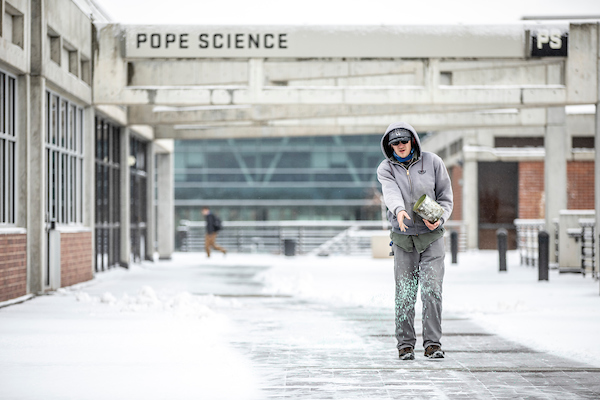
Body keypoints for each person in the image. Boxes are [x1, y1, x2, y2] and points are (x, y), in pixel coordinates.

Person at [376, 122, 453, 360]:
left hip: (432, 238)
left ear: (413, 141)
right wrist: (399, 210)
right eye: (395, 143)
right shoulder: (386, 168)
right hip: (403, 238)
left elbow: (446, 198)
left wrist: (439, 220)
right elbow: (391, 192)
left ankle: (432, 344)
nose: (400, 146)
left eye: (403, 141)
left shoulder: (433, 162)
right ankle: (405, 345)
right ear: (390, 147)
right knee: (405, 293)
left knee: (432, 291)